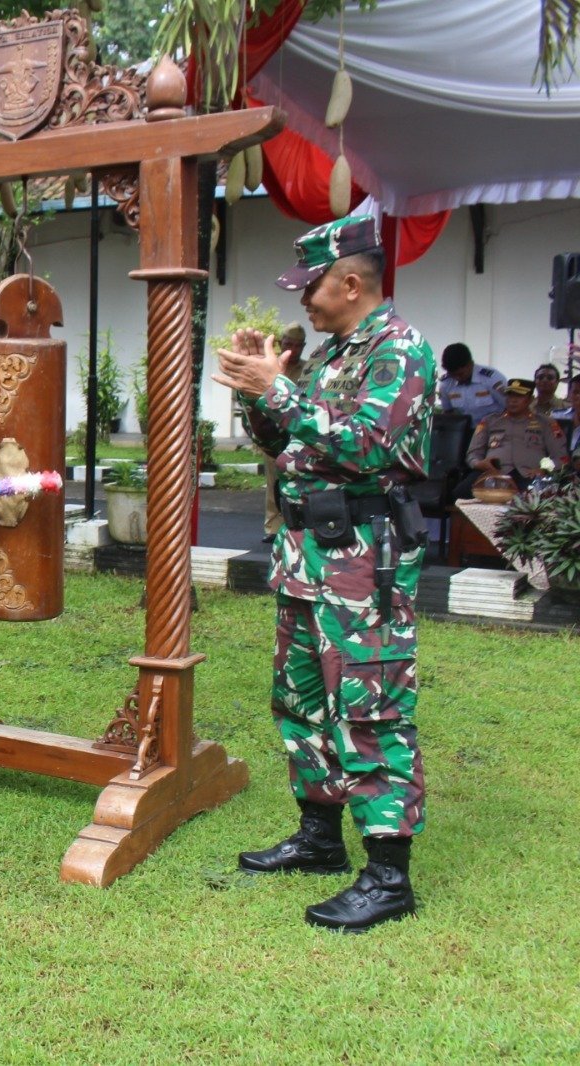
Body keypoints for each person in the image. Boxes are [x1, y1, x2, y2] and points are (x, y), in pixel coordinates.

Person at [214, 214, 434, 932]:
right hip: (307, 556)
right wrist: (259, 390)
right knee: (301, 699)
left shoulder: (399, 350)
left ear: (351, 283)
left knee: (370, 708)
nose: (304, 300)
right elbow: (289, 440)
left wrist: (280, 391)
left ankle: (388, 876)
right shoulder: (336, 354)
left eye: (311, 287)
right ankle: (319, 839)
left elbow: (369, 445)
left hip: (363, 559)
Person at [456, 378, 570, 497]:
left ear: (530, 399)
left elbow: (561, 458)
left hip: (529, 475)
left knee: (534, 498)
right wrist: (479, 464)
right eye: (510, 396)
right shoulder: (489, 421)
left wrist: (544, 470)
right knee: (460, 493)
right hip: (492, 473)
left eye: (519, 396)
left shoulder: (546, 423)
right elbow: (473, 453)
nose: (513, 400)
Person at [255, 323, 307, 542]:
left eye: (298, 346)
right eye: (288, 344)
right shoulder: (271, 367)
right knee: (273, 479)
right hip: (273, 432)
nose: (293, 350)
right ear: (279, 343)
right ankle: (273, 526)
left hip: (300, 433)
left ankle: (297, 523)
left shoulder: (310, 369)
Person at [436, 342, 506, 424]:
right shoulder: (446, 384)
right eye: (453, 375)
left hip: (495, 427)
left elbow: (510, 406)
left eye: (460, 374)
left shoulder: (492, 379)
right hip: (464, 428)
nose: (457, 378)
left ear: (471, 364)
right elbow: (448, 412)